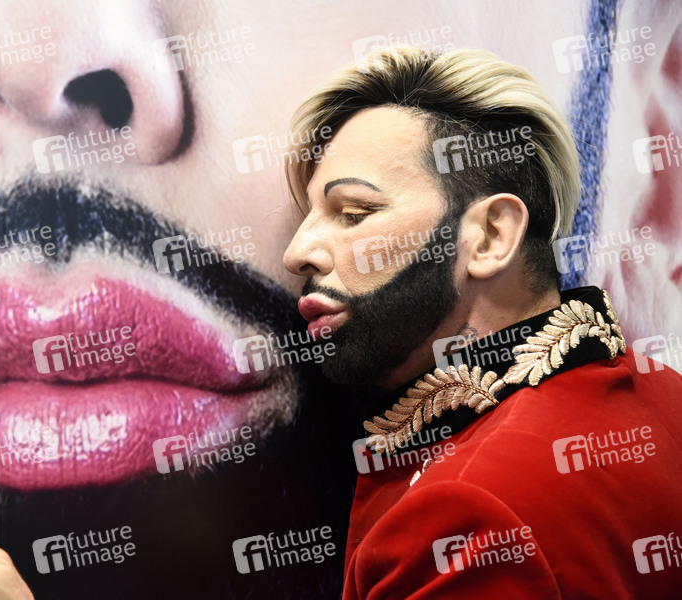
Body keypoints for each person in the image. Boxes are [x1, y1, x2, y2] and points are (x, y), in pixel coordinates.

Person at [0, 1, 681, 598]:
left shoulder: (472, 518)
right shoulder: (659, 413)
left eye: (352, 210)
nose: (34, 63)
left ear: (659, 157)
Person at [280, 46, 682, 597]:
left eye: (353, 213)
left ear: (491, 236)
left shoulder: (464, 513)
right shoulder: (668, 394)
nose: (297, 253)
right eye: (307, 216)